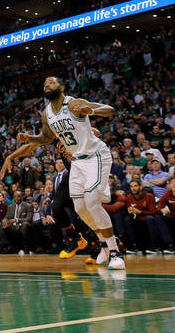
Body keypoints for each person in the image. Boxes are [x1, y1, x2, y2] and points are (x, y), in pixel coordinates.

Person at [18, 77, 124, 269]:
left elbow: (110, 109)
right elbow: (46, 137)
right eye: (44, 83)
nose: (46, 85)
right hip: (76, 162)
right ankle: (104, 245)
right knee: (81, 208)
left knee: (92, 200)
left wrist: (91, 110)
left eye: (51, 82)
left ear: (62, 87)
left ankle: (116, 253)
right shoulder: (46, 114)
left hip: (95, 156)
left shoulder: (74, 103)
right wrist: (30, 138)